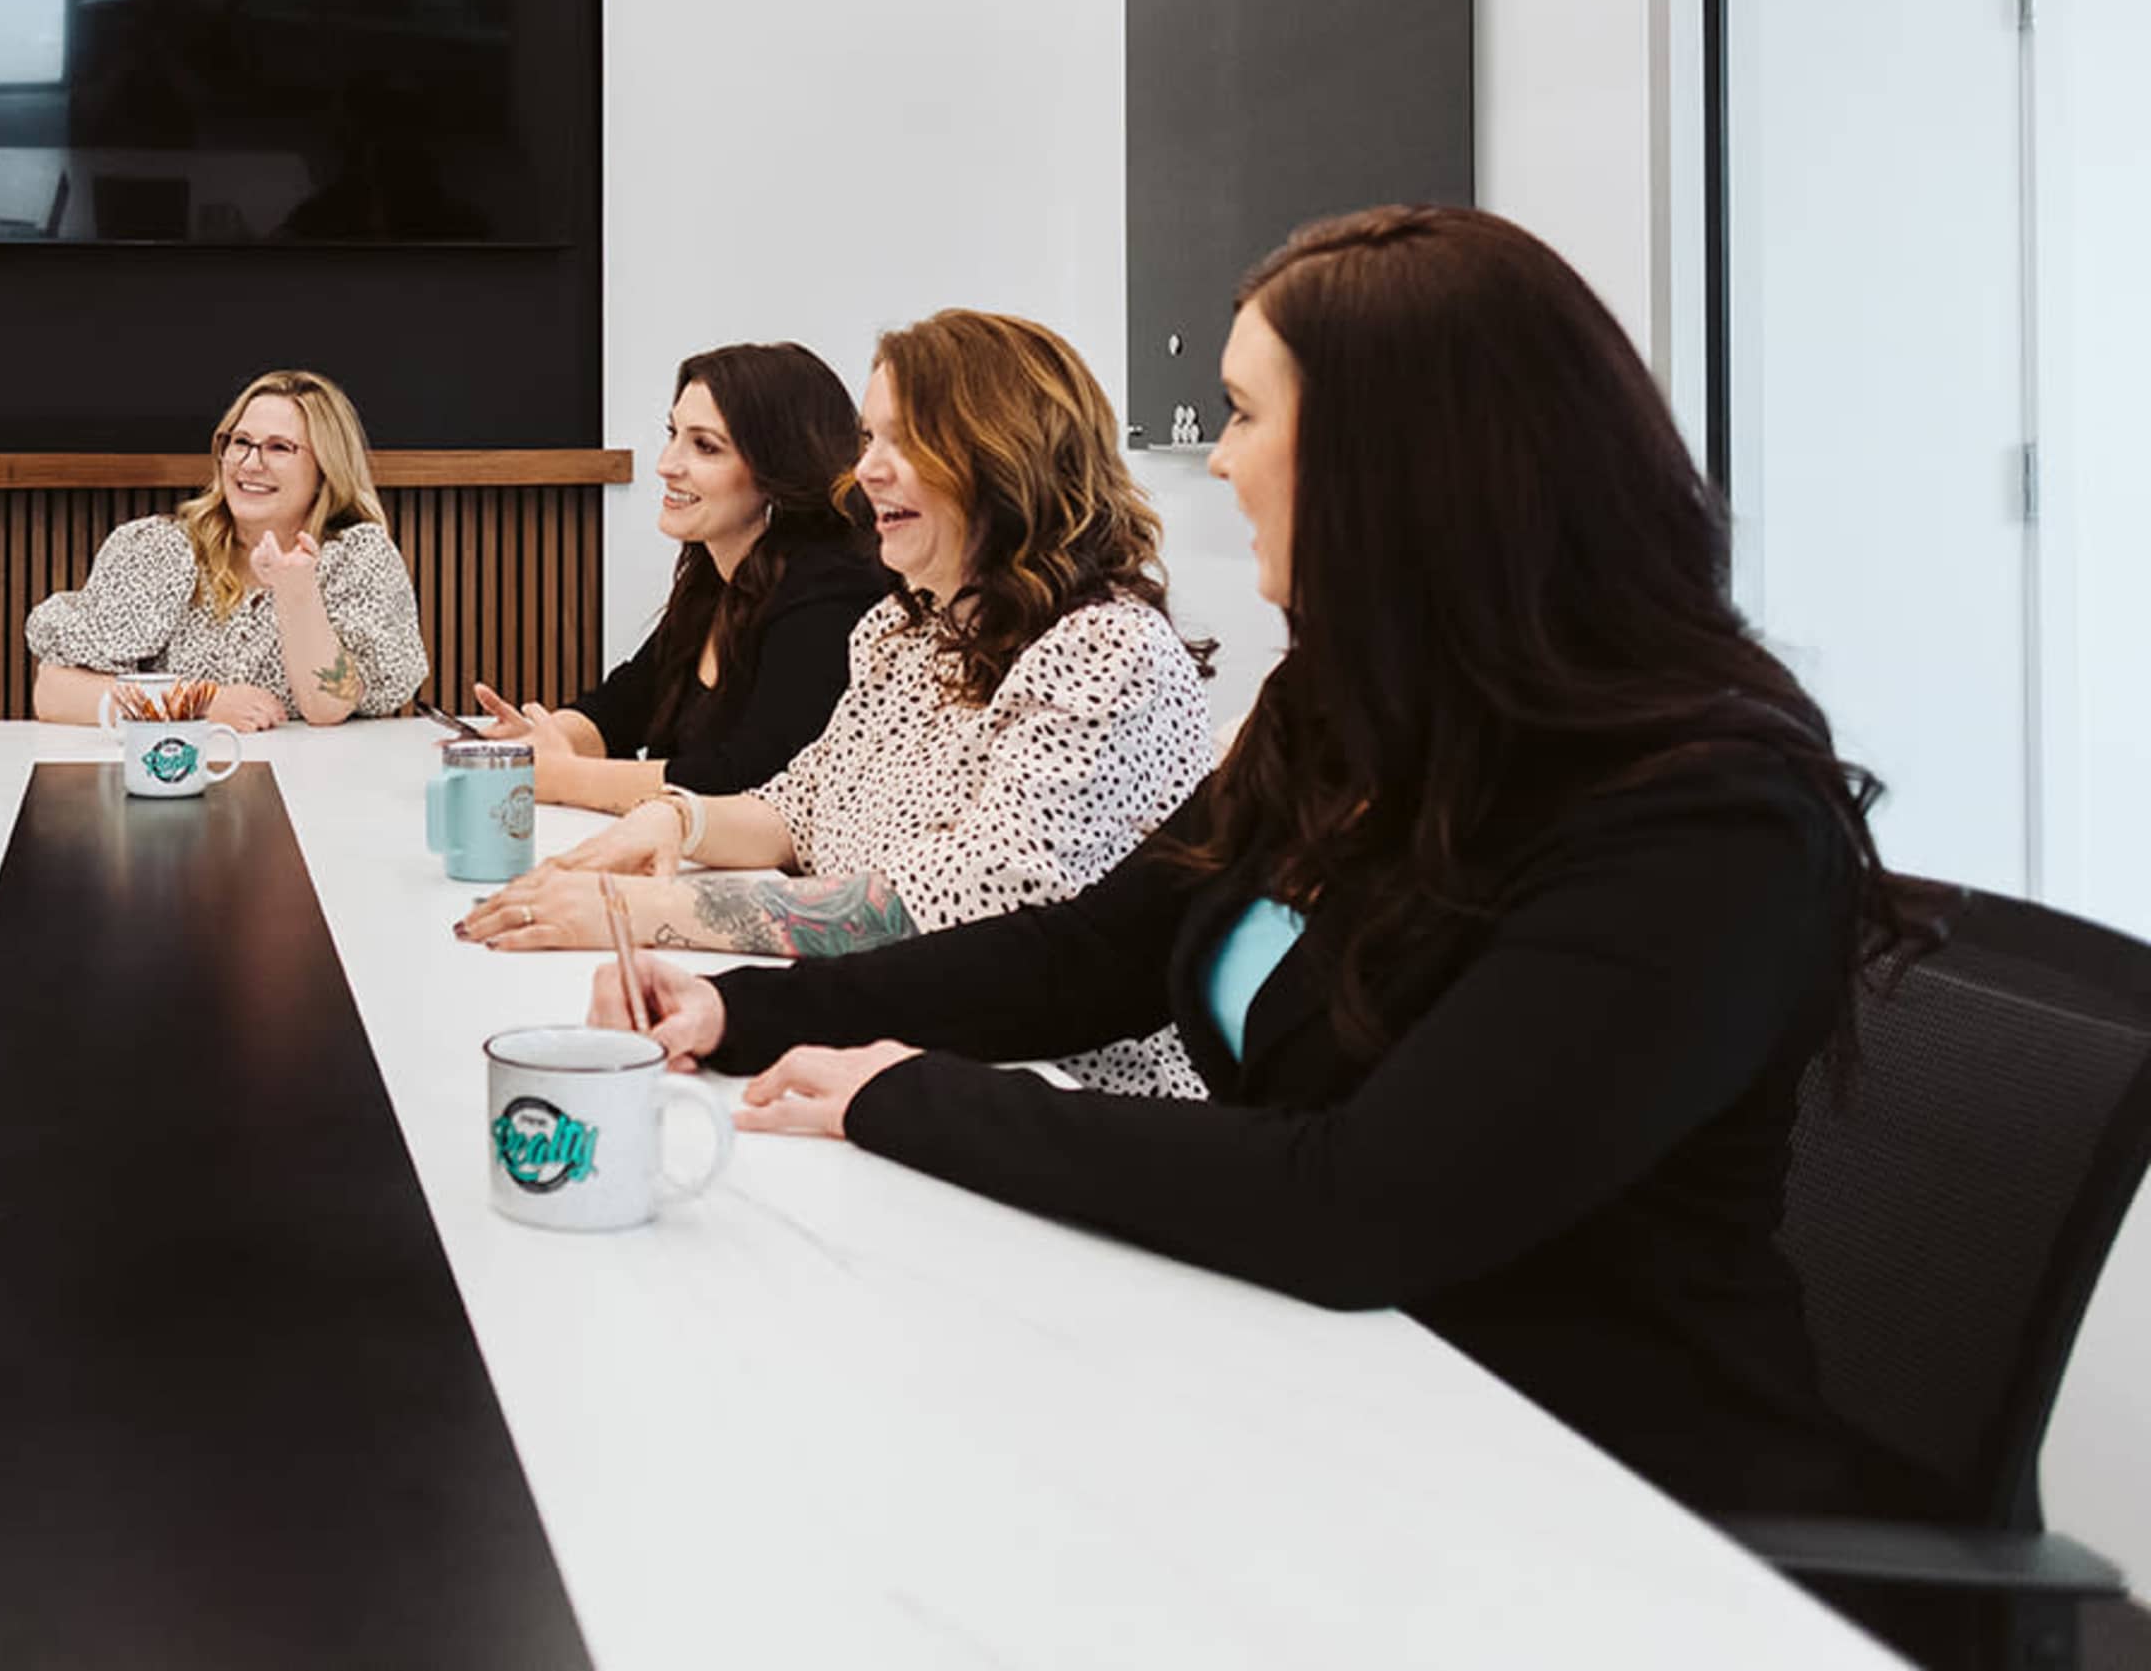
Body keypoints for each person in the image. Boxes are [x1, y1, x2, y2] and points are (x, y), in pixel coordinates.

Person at [609, 206, 1908, 1517]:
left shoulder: (1702, 814)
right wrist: (741, 1009)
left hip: (1601, 1505)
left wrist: (906, 1097)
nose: (1216, 462)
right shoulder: (1342, 707)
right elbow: (1092, 951)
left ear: (1390, 455)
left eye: (1240, 412)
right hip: (1331, 1406)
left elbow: (1361, 1199)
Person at [460, 311, 1210, 1100]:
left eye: (904, 441)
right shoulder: (902, 628)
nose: (866, 474)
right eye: (866, 439)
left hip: (1057, 1094)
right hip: (885, 1046)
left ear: (1004, 457)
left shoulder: (1106, 649)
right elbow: (803, 802)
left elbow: (953, 905)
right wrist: (679, 821)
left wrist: (644, 906)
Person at [464, 342, 896, 812]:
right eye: (674, 434)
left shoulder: (829, 596)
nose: (666, 465)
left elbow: (752, 777)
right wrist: (538, 741)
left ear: (779, 470)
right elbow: (624, 706)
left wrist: (568, 777)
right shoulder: (716, 578)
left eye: (705, 446)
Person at [26, 368, 429, 730]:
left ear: (325, 470)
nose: (250, 464)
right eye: (241, 442)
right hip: (177, 781)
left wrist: (296, 589)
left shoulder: (360, 557)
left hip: (317, 786)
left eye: (279, 448)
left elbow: (327, 707)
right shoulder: (161, 549)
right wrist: (199, 704)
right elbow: (54, 693)